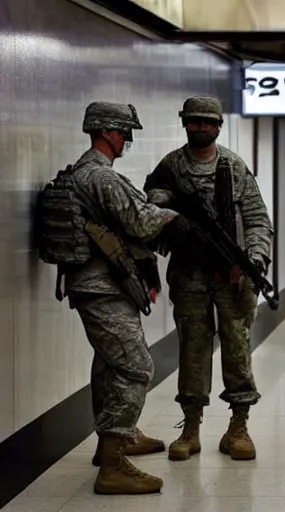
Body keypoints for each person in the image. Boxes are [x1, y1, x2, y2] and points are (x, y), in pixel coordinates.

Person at [40, 102, 178, 494]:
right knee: (135, 367)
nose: (127, 140)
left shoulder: (82, 174)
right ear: (106, 132)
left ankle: (117, 439)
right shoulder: (100, 178)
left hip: (98, 285)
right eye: (123, 132)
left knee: (108, 363)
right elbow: (140, 220)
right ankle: (114, 463)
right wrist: (172, 215)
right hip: (102, 287)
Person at [143, 96, 273, 462]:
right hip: (189, 274)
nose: (199, 127)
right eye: (193, 121)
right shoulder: (171, 167)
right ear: (185, 124)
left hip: (232, 273)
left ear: (218, 126)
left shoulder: (233, 166)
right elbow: (152, 207)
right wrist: (170, 215)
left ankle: (239, 427)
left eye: (206, 122)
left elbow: (257, 218)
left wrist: (255, 259)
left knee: (237, 348)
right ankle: (191, 427)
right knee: (193, 348)